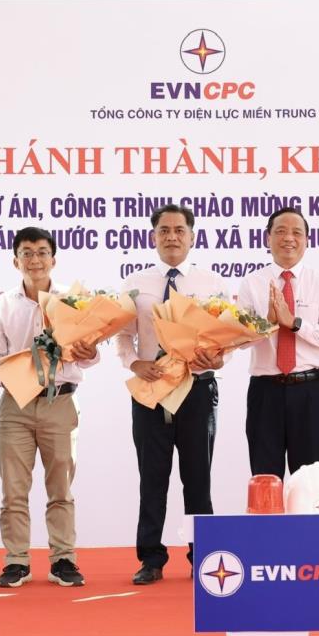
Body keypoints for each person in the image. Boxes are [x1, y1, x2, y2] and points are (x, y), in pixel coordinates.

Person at [116, 204, 227, 585]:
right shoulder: (135, 283)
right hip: (152, 389)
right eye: (164, 230)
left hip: (197, 388)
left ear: (192, 236)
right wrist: (134, 363)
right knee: (152, 478)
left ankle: (204, 556)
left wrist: (219, 357)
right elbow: (122, 335)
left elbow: (226, 336)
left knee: (198, 479)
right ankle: (151, 558)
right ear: (153, 237)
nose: (172, 237)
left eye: (179, 230)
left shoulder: (212, 283)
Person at [0, 227, 97, 588]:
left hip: (60, 402)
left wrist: (89, 351)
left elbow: (90, 355)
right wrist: (7, 376)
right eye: (27, 253)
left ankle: (63, 559)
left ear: (54, 259)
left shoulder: (72, 303)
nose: (35, 260)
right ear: (15, 260)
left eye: (42, 252)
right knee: (13, 489)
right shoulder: (2, 304)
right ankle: (16, 560)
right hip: (15, 405)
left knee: (61, 488)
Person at [238, 207, 319, 479]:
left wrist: (294, 322)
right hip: (265, 391)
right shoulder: (252, 283)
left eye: (297, 232)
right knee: (265, 478)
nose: (288, 238)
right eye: (281, 231)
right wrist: (268, 323)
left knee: (307, 481)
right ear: (268, 238)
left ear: (307, 240)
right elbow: (239, 340)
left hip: (308, 391)